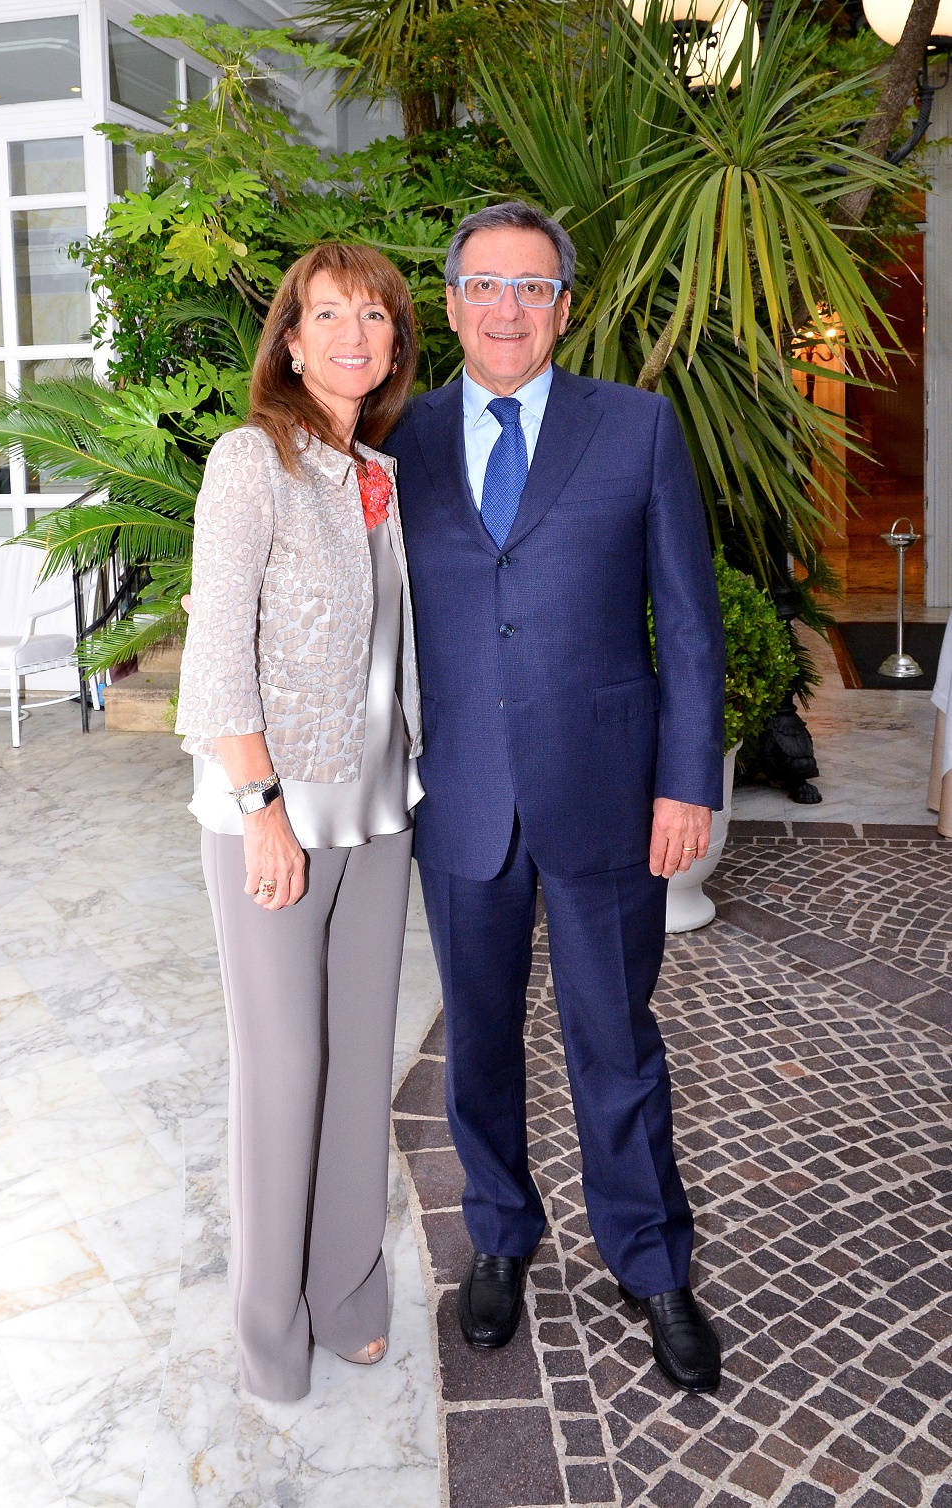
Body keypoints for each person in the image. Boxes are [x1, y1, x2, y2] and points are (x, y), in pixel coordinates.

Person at [385, 202, 726, 1392]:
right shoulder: (399, 440)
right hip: (462, 797)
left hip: (607, 794)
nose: (508, 308)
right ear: (451, 303)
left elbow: (690, 622)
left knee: (615, 1040)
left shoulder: (637, 427)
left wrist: (686, 779)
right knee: (477, 1042)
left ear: (565, 308)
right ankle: (499, 1234)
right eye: (485, 284)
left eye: (532, 287)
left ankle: (652, 1259)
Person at [174, 243, 422, 1403]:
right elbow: (218, 649)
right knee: (286, 1066)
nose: (352, 335)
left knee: (359, 1059)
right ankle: (270, 1324)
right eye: (329, 314)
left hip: (379, 811)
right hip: (274, 812)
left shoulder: (381, 472)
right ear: (289, 339)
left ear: (395, 343)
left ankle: (347, 1288)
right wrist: (260, 807)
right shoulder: (252, 460)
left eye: (373, 316)